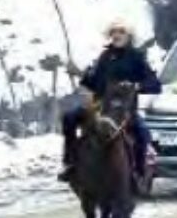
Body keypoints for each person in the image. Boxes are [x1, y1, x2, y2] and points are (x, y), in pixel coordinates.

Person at [60, 19, 163, 184]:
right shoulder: (105, 57)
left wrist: (137, 86)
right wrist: (79, 73)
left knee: (142, 134)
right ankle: (71, 162)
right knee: (69, 117)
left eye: (121, 31)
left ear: (128, 35)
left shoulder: (136, 57)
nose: (117, 35)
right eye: (114, 32)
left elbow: (155, 84)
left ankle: (138, 171)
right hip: (100, 107)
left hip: (124, 109)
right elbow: (94, 83)